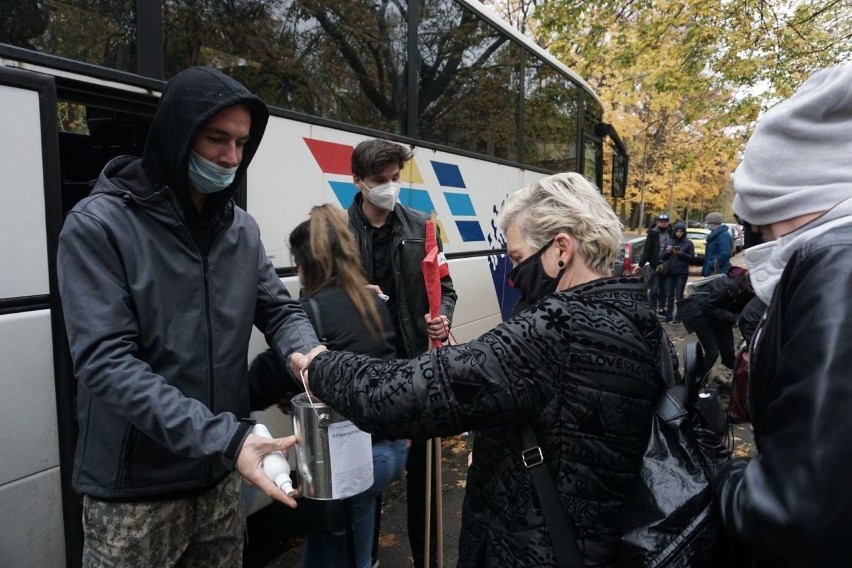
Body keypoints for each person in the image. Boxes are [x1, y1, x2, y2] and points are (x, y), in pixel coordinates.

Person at [296, 172, 674, 566]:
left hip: (535, 548)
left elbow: (401, 396)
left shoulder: (557, 327)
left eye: (516, 257)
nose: (513, 274)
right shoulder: (638, 318)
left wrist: (320, 364)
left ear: (561, 248)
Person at [56, 66, 325, 566]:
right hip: (135, 496)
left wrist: (310, 356)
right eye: (216, 139)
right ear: (178, 134)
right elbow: (105, 363)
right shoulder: (98, 225)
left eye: (242, 143)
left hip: (220, 478)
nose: (230, 158)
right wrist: (228, 437)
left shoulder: (240, 229)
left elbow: (281, 310)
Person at [715, 63, 852, 566]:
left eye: (768, 223)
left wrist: (723, 475)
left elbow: (799, 515)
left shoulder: (837, 264)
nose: (765, 241)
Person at [248, 204, 409, 568]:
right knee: (354, 545)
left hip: (346, 461)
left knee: (331, 550)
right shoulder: (372, 301)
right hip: (388, 450)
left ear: (305, 264)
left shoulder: (309, 314)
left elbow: (260, 380)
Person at [347, 138, 457, 567]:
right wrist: (352, 296)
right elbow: (315, 297)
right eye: (380, 181)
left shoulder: (423, 226)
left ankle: (427, 560)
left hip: (417, 369)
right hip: (364, 373)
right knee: (364, 482)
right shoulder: (337, 231)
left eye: (395, 179)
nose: (390, 188)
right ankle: (366, 560)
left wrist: (441, 316)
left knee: (425, 483)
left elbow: (444, 287)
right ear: (357, 180)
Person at [676, 266, 754, 385]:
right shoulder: (727, 286)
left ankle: (729, 384)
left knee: (728, 354)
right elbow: (707, 307)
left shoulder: (750, 292)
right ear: (746, 284)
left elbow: (744, 309)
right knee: (712, 353)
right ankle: (694, 382)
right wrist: (733, 318)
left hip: (721, 318)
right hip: (701, 315)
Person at [659, 222, 695, 323]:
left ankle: (679, 316)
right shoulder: (669, 241)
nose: (679, 233)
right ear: (674, 232)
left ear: (684, 232)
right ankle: (669, 315)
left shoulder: (688, 243)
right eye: (677, 231)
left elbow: (692, 259)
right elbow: (662, 257)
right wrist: (668, 251)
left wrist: (681, 254)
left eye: (681, 231)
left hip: (681, 272)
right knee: (669, 295)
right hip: (670, 271)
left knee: (679, 295)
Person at [638, 212, 671, 315]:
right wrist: (640, 264)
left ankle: (661, 308)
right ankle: (652, 308)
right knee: (654, 288)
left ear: (668, 222)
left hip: (667, 264)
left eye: (665, 222)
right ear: (657, 222)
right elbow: (647, 250)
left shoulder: (671, 233)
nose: (663, 224)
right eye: (661, 222)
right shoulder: (652, 233)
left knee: (664, 288)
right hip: (655, 264)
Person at [702, 212, 732, 276]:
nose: (707, 225)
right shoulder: (713, 234)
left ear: (713, 223)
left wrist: (712, 264)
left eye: (708, 223)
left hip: (719, 271)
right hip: (713, 270)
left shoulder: (723, 235)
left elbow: (725, 253)